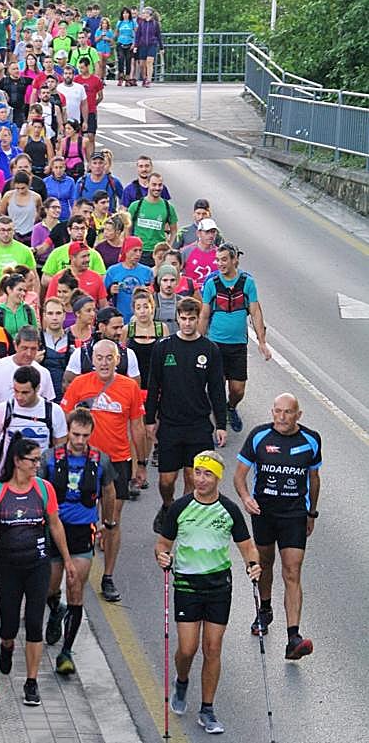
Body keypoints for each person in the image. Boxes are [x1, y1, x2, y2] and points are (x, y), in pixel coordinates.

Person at [154, 451, 261, 735]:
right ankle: (182, 679)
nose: (200, 479)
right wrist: (163, 556)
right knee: (187, 648)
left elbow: (248, 547)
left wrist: (253, 565)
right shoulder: (180, 507)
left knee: (212, 648)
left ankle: (207, 709)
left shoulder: (229, 510)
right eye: (198, 473)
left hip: (218, 586)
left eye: (207, 474)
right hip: (187, 584)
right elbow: (163, 544)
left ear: (218, 478)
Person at [0, 434, 75, 707]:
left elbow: (55, 524)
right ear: (18, 461)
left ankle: (31, 683)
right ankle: (6, 647)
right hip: (7, 567)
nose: (37, 464)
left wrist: (66, 559)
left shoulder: (44, 490)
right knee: (8, 626)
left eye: (38, 459)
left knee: (34, 625)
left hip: (37, 565)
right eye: (33, 460)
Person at [234, 393, 320, 660]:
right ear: (272, 412)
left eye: (287, 412)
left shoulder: (311, 440)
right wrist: (247, 498)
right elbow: (239, 476)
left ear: (298, 415)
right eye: (277, 412)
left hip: (294, 514)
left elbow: (314, 479)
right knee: (266, 564)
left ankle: (293, 636)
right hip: (264, 513)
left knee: (292, 571)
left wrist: (311, 513)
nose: (281, 418)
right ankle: (265, 609)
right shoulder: (259, 437)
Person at [61, 339, 146, 602]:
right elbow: (63, 421)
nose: (104, 363)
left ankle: (107, 576)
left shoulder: (129, 387)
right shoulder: (79, 385)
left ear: (117, 360)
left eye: (109, 358)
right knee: (82, 517)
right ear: (92, 360)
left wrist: (140, 464)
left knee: (112, 521)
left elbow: (138, 428)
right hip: (83, 461)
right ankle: (74, 567)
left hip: (117, 461)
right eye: (99, 358)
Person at [42, 407, 116, 674]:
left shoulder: (101, 461)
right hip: (53, 529)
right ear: (68, 432)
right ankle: (55, 609)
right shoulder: (49, 458)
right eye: (75, 434)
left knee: (75, 587)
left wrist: (108, 526)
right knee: (49, 587)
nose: (80, 440)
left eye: (85, 435)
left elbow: (109, 491)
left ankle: (66, 652)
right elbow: (38, 490)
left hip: (83, 531)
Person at [146, 297, 227, 535]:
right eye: (183, 318)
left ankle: (183, 517)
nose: (188, 323)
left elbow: (216, 390)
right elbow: (153, 386)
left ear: (198, 318)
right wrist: (150, 420)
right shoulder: (163, 347)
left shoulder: (209, 349)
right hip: (170, 423)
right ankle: (168, 506)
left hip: (198, 425)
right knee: (166, 480)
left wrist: (220, 424)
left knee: (193, 478)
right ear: (178, 318)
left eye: (192, 319)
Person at [199, 243, 272, 433]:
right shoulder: (211, 284)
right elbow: (205, 314)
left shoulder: (247, 282)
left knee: (238, 389)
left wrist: (262, 342)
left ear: (234, 260)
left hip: (238, 345)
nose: (220, 264)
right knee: (217, 386)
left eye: (224, 259)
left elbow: (255, 312)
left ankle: (230, 407)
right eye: (218, 260)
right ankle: (219, 424)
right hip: (216, 343)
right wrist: (199, 341)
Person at [0, 365, 67, 473]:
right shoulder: (3, 409)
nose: (19, 397)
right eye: (16, 391)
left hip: (40, 475)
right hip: (9, 475)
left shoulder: (54, 411)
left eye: (25, 392)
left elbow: (60, 448)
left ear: (37, 388)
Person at [0, 326, 56, 408]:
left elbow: (49, 405)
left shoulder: (44, 373)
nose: (29, 353)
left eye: (33, 349)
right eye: (24, 348)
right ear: (15, 345)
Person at [128, 173, 178, 266]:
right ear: (147, 184)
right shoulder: (136, 206)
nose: (157, 188)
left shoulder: (168, 207)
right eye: (154, 185)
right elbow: (128, 229)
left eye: (160, 185)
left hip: (159, 252)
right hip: (139, 251)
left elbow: (174, 230)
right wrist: (128, 248)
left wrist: (169, 246)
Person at [104, 236, 154, 322]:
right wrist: (110, 291)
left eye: (140, 250)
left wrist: (150, 291)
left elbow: (153, 297)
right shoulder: (113, 271)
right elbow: (103, 297)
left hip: (141, 318)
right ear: (126, 251)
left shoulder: (147, 271)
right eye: (135, 250)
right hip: (120, 318)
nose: (138, 254)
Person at [181, 218, 220, 291]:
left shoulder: (219, 253)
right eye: (207, 232)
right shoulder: (186, 252)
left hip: (212, 295)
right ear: (198, 233)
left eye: (213, 232)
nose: (211, 235)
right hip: (191, 295)